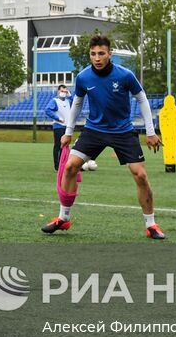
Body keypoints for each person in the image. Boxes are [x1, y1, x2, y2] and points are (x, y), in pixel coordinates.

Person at [43, 35, 164, 239]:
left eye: (101, 53)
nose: (97, 58)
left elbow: (142, 99)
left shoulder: (125, 75)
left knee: (141, 175)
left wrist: (151, 132)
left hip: (123, 131)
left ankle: (151, 225)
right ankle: (63, 218)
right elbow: (78, 104)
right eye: (93, 54)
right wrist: (68, 132)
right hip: (94, 130)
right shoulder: (83, 77)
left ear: (110, 54)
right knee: (71, 166)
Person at [43, 84, 72, 171]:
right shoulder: (54, 101)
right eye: (62, 91)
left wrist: (69, 95)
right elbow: (48, 110)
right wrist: (58, 118)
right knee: (58, 146)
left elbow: (75, 103)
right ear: (58, 91)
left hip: (67, 127)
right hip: (58, 126)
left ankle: (64, 164)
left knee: (66, 146)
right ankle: (57, 166)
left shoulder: (67, 101)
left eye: (65, 91)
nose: (63, 93)